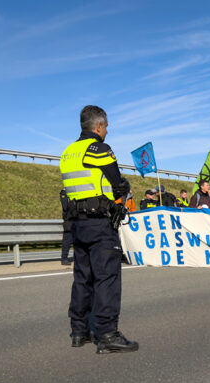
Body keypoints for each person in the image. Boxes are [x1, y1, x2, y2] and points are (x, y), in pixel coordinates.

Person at [60, 105, 138, 353]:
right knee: (107, 278)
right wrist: (123, 187)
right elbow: (117, 183)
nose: (107, 131)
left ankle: (79, 331)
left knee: (82, 278)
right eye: (106, 127)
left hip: (77, 223)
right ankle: (106, 333)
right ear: (98, 126)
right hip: (99, 222)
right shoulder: (99, 148)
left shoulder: (68, 152)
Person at [59, 189, 73, 265]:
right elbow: (65, 206)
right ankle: (64, 258)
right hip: (69, 220)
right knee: (67, 240)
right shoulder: (64, 193)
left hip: (77, 219)